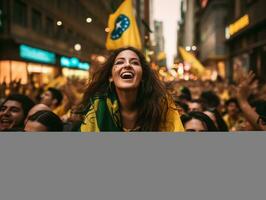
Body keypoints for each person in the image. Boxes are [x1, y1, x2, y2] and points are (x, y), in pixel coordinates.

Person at [80, 47, 184, 132]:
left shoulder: (163, 105)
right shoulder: (97, 107)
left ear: (143, 76)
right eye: (120, 62)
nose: (127, 65)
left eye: (134, 63)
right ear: (110, 76)